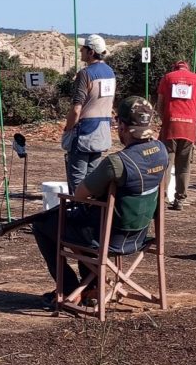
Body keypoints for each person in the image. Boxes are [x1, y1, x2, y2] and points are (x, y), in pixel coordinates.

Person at [34, 96, 168, 305]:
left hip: (109, 239)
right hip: (139, 235)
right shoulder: (162, 152)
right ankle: (92, 288)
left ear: (122, 125)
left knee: (44, 226)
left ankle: (70, 289)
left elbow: (80, 194)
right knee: (87, 224)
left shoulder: (117, 162)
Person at [62, 34, 116, 193]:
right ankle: (91, 213)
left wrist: (68, 128)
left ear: (91, 52)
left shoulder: (85, 74)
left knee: (77, 181)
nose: (80, 50)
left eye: (83, 48)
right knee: (93, 180)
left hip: (84, 132)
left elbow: (77, 107)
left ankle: (79, 214)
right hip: (102, 131)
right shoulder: (110, 72)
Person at [156, 60, 196, 211]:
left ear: (175, 68)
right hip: (188, 128)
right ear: (188, 68)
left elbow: (160, 104)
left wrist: (164, 119)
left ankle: (161, 198)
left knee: (166, 164)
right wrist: (194, 121)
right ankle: (180, 200)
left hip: (170, 126)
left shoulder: (167, 78)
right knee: (184, 167)